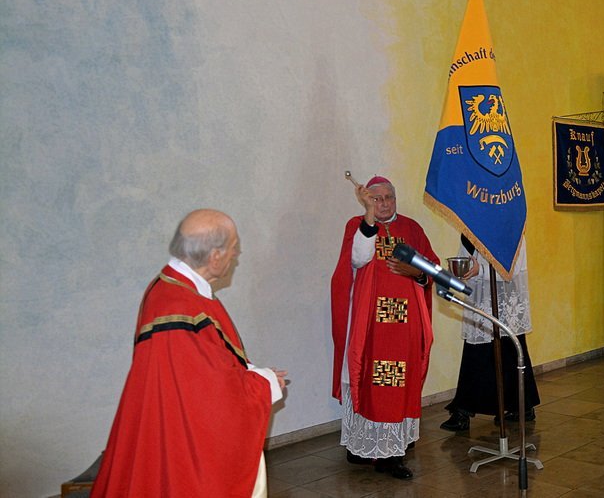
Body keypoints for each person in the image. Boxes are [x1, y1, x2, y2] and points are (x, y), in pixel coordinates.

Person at [92, 209, 286, 497]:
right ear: (215, 257)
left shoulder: (176, 289)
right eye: (234, 248)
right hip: (180, 443)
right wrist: (265, 383)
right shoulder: (178, 308)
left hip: (169, 423)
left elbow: (210, 365)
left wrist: (254, 373)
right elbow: (211, 397)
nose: (236, 255)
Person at [330, 176, 436, 480]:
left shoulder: (412, 228)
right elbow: (358, 258)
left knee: (393, 383)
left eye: (389, 197)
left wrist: (416, 272)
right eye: (377, 199)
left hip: (402, 325)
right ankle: (362, 446)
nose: (385, 203)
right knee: (367, 379)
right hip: (370, 323)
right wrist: (368, 216)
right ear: (367, 201)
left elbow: (432, 266)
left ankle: (389, 454)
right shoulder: (357, 226)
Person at [440, 235, 540, 431]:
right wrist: (461, 270)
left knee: (511, 352)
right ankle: (464, 410)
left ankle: (521, 406)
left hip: (505, 300)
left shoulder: (512, 230)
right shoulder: (468, 232)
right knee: (476, 351)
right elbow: (466, 258)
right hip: (480, 298)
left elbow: (514, 267)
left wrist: (482, 270)